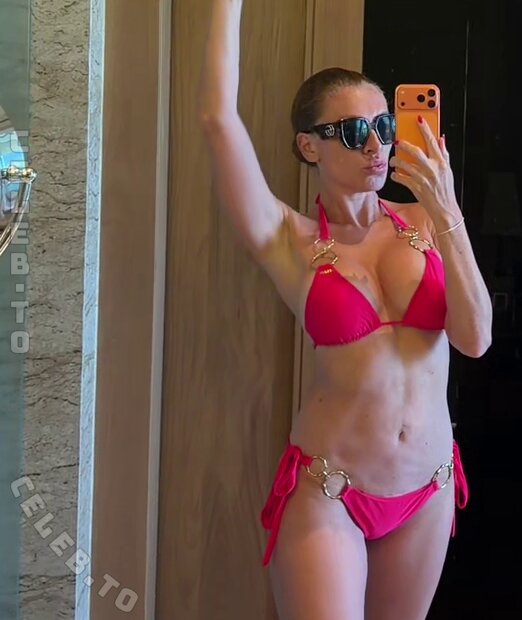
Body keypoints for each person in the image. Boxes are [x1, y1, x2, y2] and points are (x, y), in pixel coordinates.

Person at [198, 1, 493, 619]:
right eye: (355, 133)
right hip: (330, 488)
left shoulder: (427, 221)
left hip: (429, 487)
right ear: (309, 145)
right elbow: (218, 119)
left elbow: (475, 338)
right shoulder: (287, 239)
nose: (377, 146)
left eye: (384, 126)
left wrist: (448, 211)